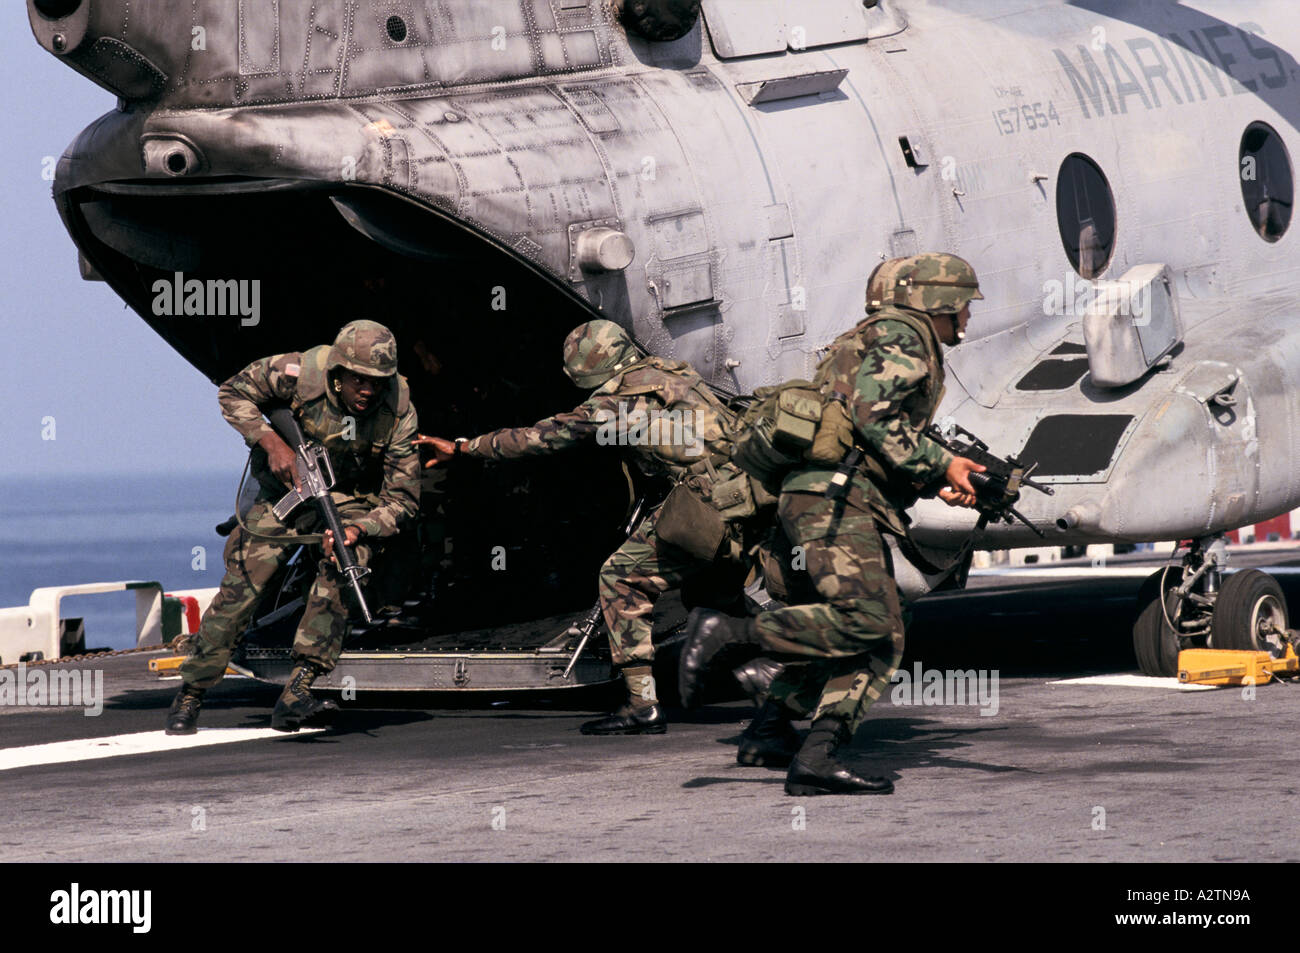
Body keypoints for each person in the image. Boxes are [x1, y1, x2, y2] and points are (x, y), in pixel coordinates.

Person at [678, 253, 986, 795]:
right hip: (836, 504)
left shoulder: (865, 337)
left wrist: (931, 479)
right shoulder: (906, 335)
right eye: (962, 305)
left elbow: (855, 431)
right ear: (937, 301)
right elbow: (875, 417)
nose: (966, 318)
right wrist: (944, 462)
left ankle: (777, 735)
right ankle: (728, 635)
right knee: (871, 624)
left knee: (865, 635)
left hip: (812, 499)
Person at [419, 319, 765, 736]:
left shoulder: (618, 402)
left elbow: (542, 438)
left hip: (710, 503)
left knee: (621, 578)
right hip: (748, 499)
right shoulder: (672, 373)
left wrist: (464, 448)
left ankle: (642, 704)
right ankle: (789, 670)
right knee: (711, 593)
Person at [165, 320, 420, 734]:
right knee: (243, 585)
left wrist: (361, 529)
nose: (368, 391)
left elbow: (402, 500)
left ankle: (298, 690)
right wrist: (269, 440)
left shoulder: (398, 410)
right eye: (358, 380)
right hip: (285, 491)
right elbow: (232, 391)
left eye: (377, 382)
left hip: (349, 500)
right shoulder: (295, 372)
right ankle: (192, 692)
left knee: (344, 567)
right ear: (337, 374)